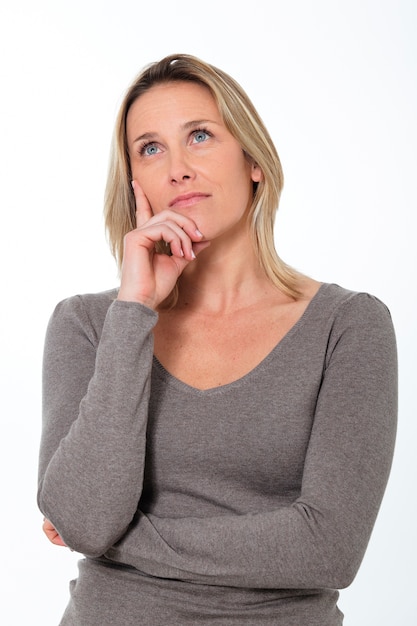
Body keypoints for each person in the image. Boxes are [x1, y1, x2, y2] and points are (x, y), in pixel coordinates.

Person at [38, 53, 397, 626]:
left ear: (253, 160)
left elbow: (330, 548)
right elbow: (84, 514)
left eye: (200, 136)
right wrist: (133, 311)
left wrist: (117, 540)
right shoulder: (87, 324)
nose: (178, 168)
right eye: (150, 149)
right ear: (135, 183)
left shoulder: (349, 327)